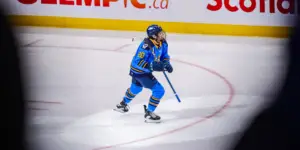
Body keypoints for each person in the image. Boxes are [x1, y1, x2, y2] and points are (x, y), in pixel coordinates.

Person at [114, 24, 173, 123]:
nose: (162, 35)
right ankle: (149, 114)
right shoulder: (145, 46)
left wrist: (166, 63)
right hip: (140, 71)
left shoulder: (163, 43)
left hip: (141, 71)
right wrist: (152, 66)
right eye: (160, 33)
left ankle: (123, 104)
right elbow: (138, 62)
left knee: (136, 88)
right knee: (159, 90)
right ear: (154, 36)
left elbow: (164, 55)